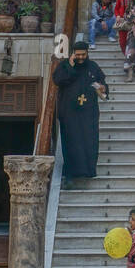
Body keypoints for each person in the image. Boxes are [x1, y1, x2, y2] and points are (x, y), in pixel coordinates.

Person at [53, 35, 109, 185]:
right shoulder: (65, 65)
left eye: (83, 55)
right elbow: (58, 80)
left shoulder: (93, 67)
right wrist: (70, 66)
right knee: (71, 143)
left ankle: (88, 171)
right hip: (69, 113)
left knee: (89, 142)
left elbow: (102, 84)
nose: (81, 58)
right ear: (73, 54)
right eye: (77, 55)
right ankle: (70, 174)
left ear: (87, 53)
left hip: (88, 113)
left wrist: (103, 88)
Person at [114, 0, 135, 72]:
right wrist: (118, 15)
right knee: (122, 42)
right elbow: (116, 8)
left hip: (133, 22)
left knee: (133, 43)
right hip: (122, 22)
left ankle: (131, 62)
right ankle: (129, 59)